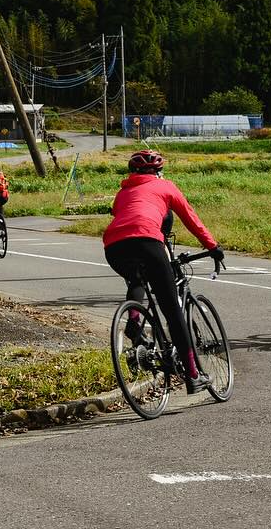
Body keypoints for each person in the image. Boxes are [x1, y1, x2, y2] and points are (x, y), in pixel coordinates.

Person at [104, 149, 222, 394]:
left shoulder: (122, 192)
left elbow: (125, 217)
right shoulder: (166, 186)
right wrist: (212, 246)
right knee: (172, 310)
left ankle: (134, 319)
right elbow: (190, 218)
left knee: (136, 278)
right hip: (148, 241)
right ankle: (192, 375)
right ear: (158, 172)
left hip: (113, 246)